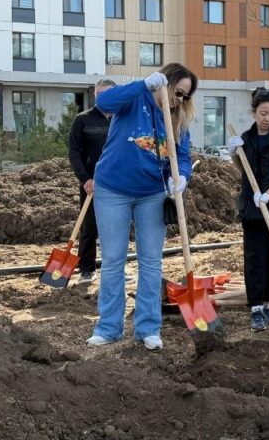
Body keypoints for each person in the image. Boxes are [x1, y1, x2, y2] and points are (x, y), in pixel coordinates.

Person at [86, 63, 198, 351]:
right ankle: (109, 327)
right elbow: (103, 102)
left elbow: (183, 156)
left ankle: (148, 328)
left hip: (153, 195)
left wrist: (182, 176)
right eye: (177, 91)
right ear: (165, 83)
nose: (179, 99)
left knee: (151, 261)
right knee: (113, 260)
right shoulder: (134, 99)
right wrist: (142, 84)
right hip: (113, 190)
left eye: (185, 96)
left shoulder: (177, 120)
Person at [226, 88, 269, 332]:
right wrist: (234, 152)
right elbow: (242, 169)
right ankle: (256, 307)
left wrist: (267, 195)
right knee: (255, 256)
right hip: (253, 208)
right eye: (263, 113)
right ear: (254, 113)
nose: (267, 118)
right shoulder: (246, 138)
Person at [67, 78, 116, 284]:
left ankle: (114, 269)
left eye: (107, 93)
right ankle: (86, 269)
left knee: (116, 228)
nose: (102, 97)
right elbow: (74, 152)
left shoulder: (122, 119)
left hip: (118, 183)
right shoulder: (83, 120)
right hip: (92, 184)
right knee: (89, 227)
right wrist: (84, 179)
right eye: (99, 94)